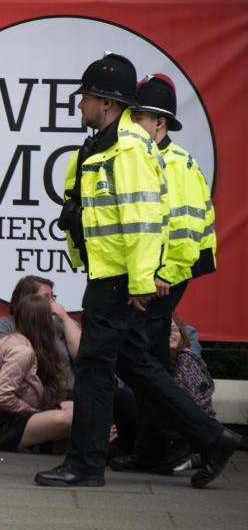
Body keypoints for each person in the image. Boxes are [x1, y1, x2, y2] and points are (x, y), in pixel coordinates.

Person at [35, 53, 239, 489]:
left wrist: (141, 282)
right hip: (110, 274)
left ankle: (86, 465)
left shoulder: (128, 149)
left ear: (105, 102)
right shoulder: (107, 144)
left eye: (85, 97)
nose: (79, 105)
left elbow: (145, 222)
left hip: (118, 280)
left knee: (92, 364)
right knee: (135, 363)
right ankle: (212, 438)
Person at [107, 74, 219, 473]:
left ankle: (206, 438)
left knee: (138, 361)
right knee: (149, 362)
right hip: (153, 275)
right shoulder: (147, 157)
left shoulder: (178, 164)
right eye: (132, 115)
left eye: (142, 116)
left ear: (162, 123)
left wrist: (163, 275)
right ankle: (155, 452)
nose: (134, 122)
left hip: (165, 277)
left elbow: (187, 233)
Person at [0, 295, 73, 452]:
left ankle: (50, 444)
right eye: (52, 318)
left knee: (76, 408)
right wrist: (33, 412)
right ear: (44, 322)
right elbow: (1, 397)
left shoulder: (19, 342)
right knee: (66, 419)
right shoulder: (22, 351)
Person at [112, 313, 215, 471]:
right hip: (144, 428)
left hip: (176, 432)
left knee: (165, 465)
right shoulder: (140, 363)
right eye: (167, 330)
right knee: (120, 397)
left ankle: (192, 457)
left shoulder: (186, 360)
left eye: (175, 329)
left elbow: (192, 404)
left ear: (182, 336)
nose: (171, 333)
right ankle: (132, 450)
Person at [0, 276, 80, 384]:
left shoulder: (60, 323)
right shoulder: (3, 326)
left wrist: (65, 318)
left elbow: (83, 356)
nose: (53, 303)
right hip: (27, 395)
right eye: (46, 297)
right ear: (28, 300)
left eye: (53, 297)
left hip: (69, 394)